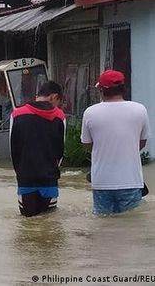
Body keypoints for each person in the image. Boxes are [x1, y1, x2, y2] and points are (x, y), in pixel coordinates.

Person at [81, 70, 151, 215]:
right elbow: (142, 143)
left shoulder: (90, 112)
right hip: (131, 181)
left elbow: (87, 144)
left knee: (103, 227)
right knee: (131, 227)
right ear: (123, 88)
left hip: (102, 182)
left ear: (101, 90)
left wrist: (104, 149)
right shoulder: (140, 110)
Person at [10, 81, 65, 217]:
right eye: (58, 101)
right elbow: (60, 151)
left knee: (27, 227)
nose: (57, 105)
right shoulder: (60, 116)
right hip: (49, 181)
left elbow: (13, 150)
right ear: (53, 96)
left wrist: (21, 173)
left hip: (26, 180)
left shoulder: (16, 115)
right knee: (49, 228)